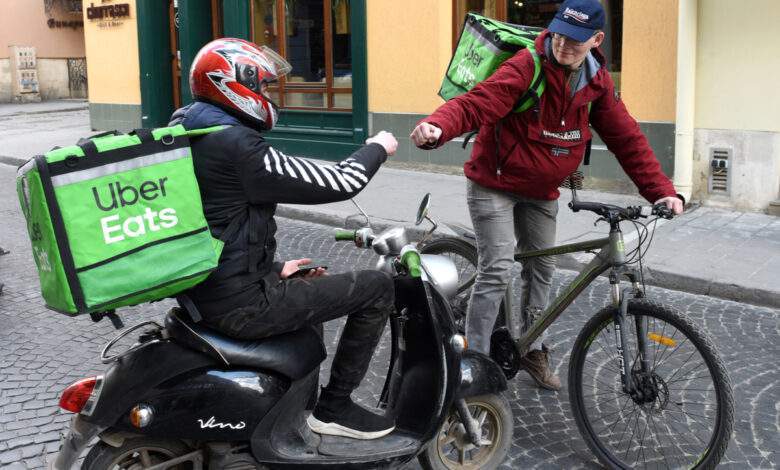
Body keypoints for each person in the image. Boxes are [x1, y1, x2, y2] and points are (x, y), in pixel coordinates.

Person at [410, 0, 683, 391]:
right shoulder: (526, 65)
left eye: (575, 40)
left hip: (541, 192)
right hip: (494, 185)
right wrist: (437, 126)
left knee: (542, 271)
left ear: (596, 40)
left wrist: (663, 192)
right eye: (559, 34)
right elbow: (478, 103)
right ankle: (474, 366)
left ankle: (531, 350)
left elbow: (627, 139)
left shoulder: (597, 83)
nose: (563, 45)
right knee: (498, 268)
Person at [170, 38, 399, 440]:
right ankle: (335, 407)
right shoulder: (237, 146)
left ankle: (288, 408)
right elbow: (340, 181)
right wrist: (377, 147)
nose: (267, 95)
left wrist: (277, 269)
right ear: (234, 85)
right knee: (378, 287)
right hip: (240, 305)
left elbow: (216, 222)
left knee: (307, 286)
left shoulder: (188, 128)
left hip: (205, 289)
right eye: (262, 87)